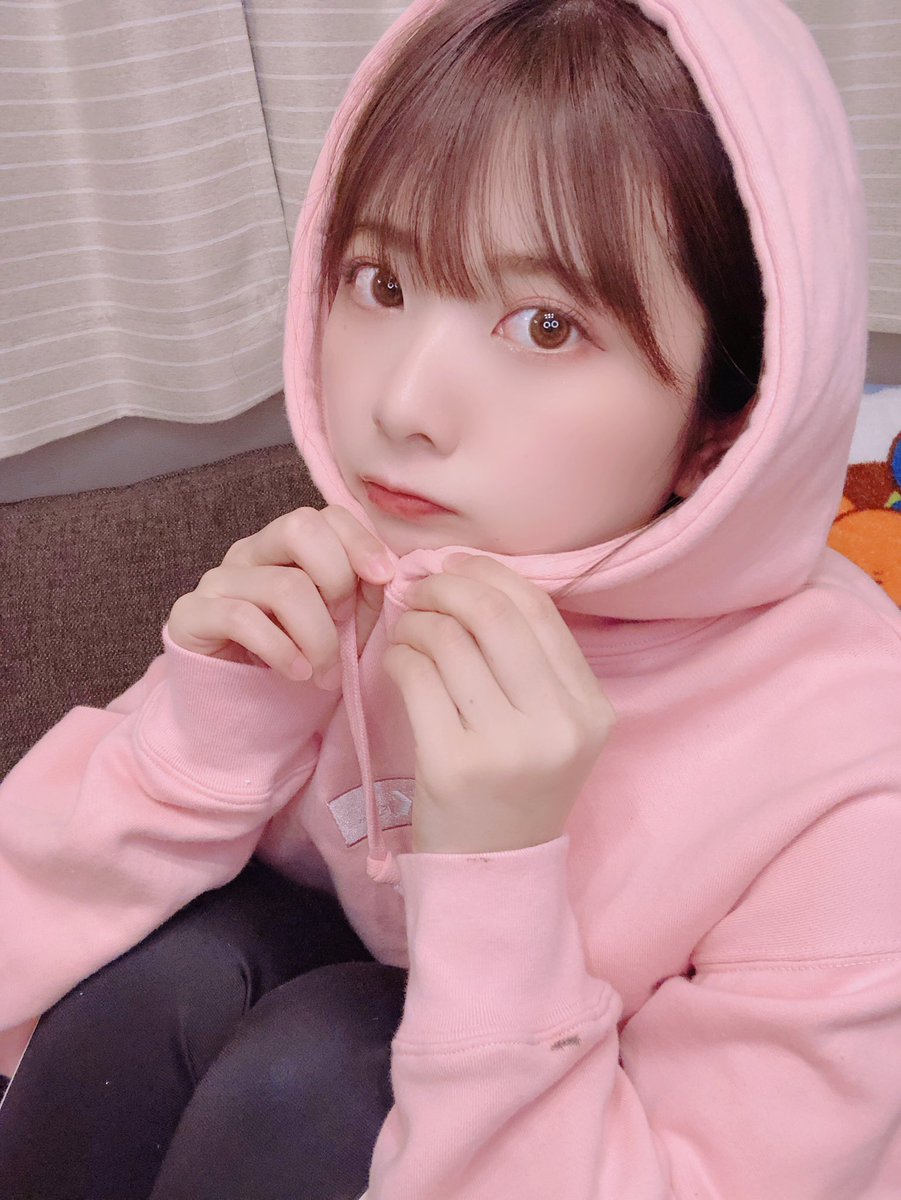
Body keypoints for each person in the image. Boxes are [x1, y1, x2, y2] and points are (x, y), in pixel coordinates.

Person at [1, 0, 899, 1196]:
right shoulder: (373, 580)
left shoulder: (854, 773)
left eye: (546, 325)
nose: (404, 404)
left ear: (721, 425)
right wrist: (201, 739)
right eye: (378, 281)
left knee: (322, 1072)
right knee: (172, 975)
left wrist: (501, 871)